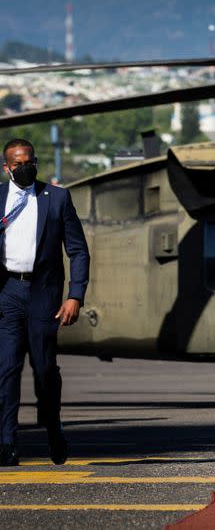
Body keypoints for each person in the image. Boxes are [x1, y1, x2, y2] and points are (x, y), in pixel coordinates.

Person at [0, 139, 89, 466]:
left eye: (30, 161)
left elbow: (78, 250)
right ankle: (7, 442)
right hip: (7, 291)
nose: (26, 167)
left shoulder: (57, 198)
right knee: (6, 370)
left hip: (43, 295)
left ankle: (53, 427)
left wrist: (75, 295)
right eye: (19, 163)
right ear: (7, 167)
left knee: (45, 371)